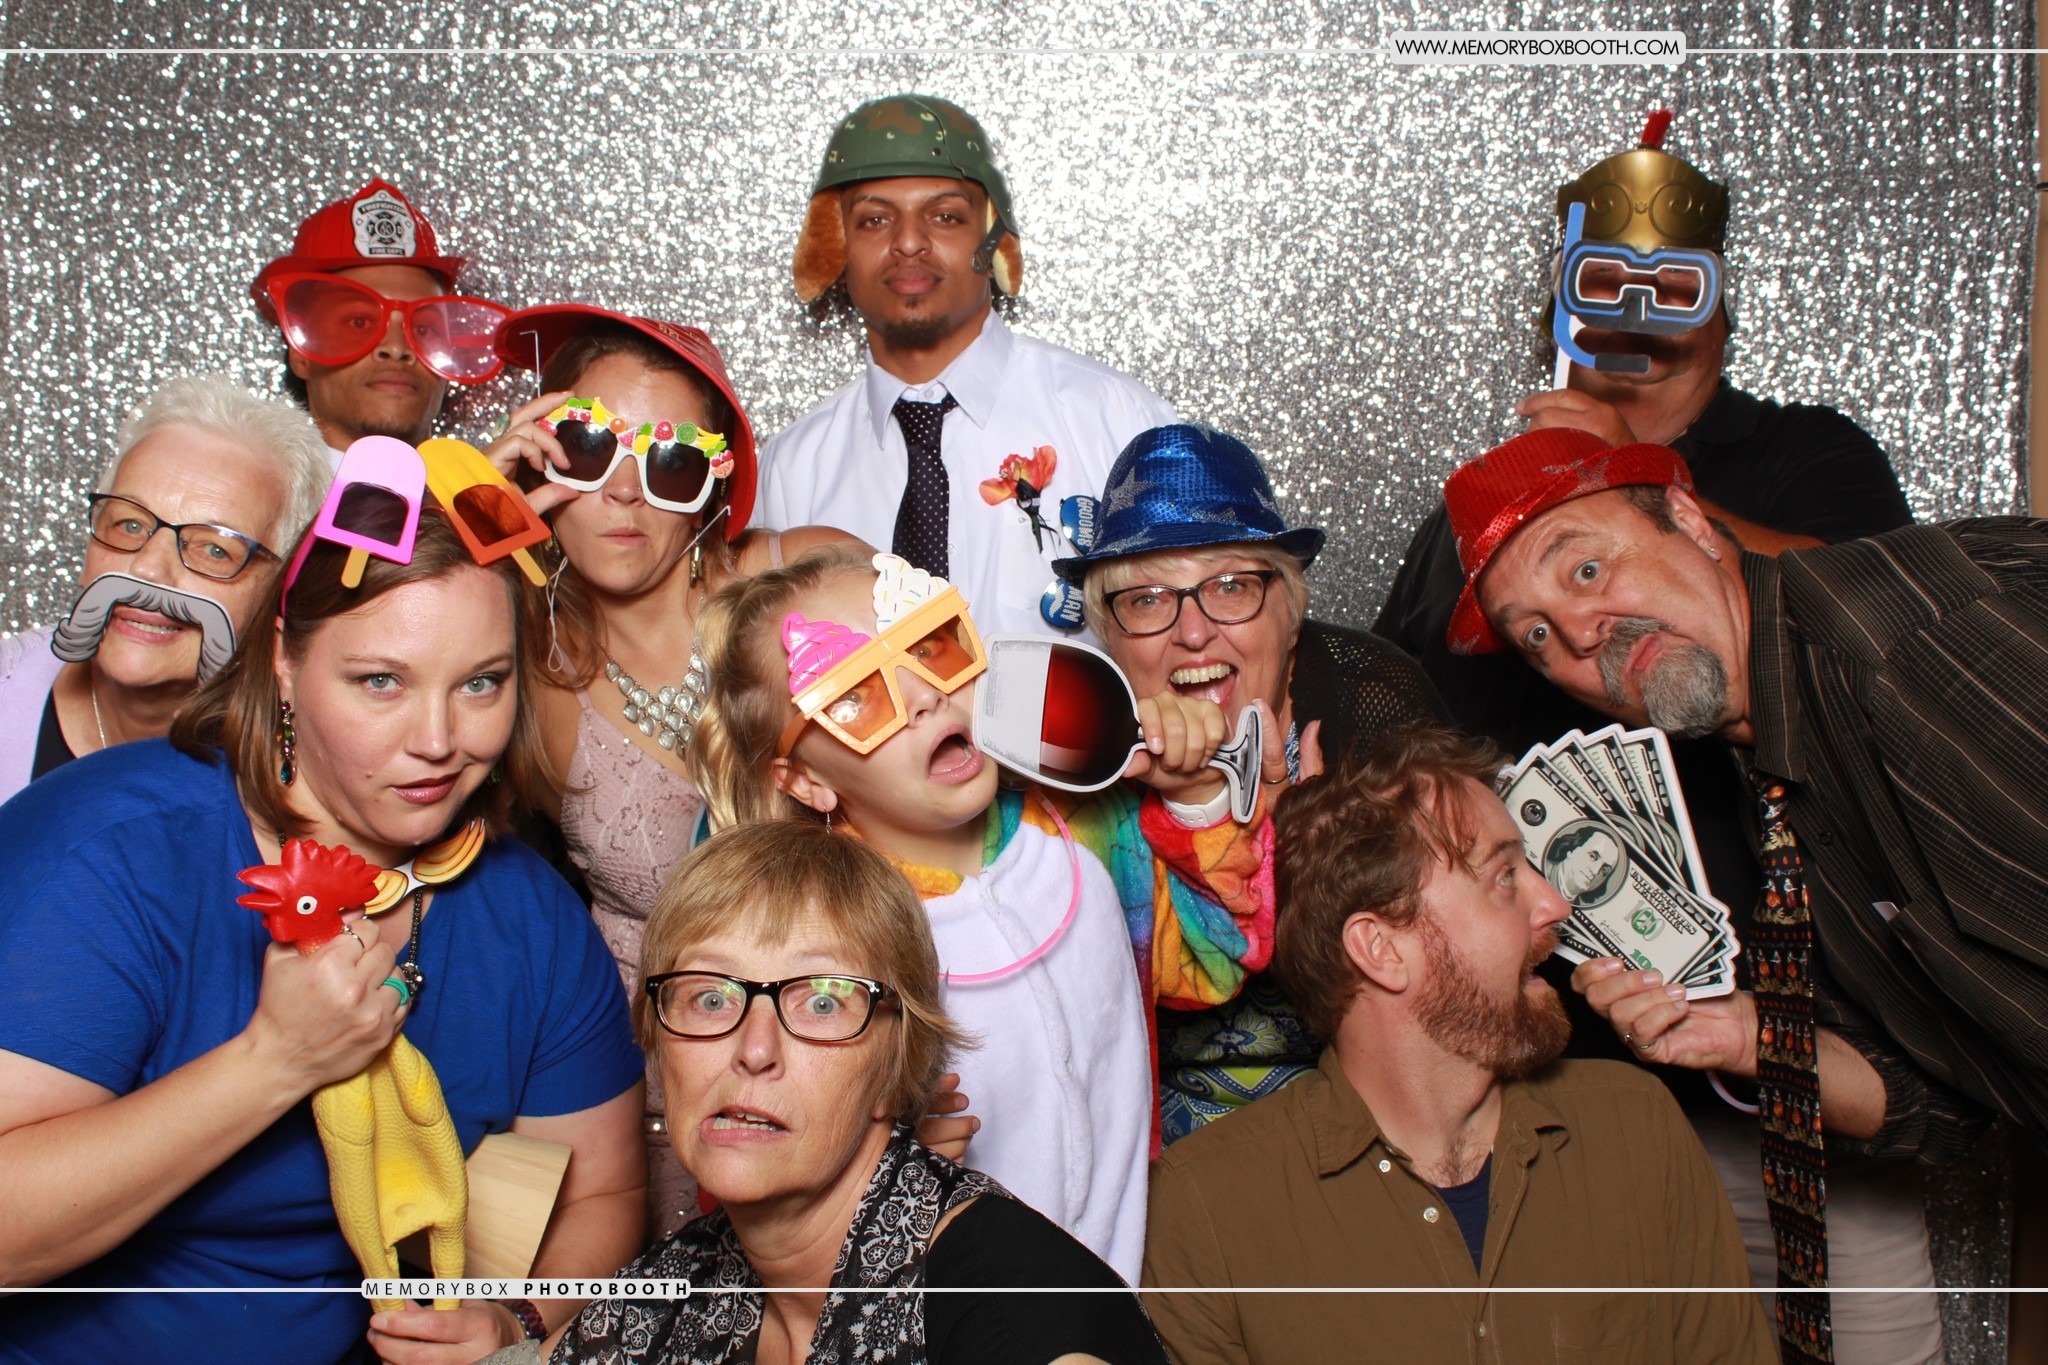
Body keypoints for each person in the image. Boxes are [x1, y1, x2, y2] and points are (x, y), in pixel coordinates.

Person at [1449, 425, 2048, 1360]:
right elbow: (1934, 1101)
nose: (1578, 634)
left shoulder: (1899, 650)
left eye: (1587, 569)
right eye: (1535, 635)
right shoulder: (1773, 765)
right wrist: (1741, 1035)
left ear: (1691, 520)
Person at [0, 505, 646, 1363]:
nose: (438, 740)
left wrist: (514, 1321)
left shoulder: (530, 916)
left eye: (480, 683)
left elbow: (604, 1195)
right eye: (381, 681)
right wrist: (274, 1060)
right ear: (284, 660)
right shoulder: (109, 846)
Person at [687, 544, 1283, 1283]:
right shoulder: (818, 946)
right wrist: (887, 1172)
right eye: (857, 696)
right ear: (806, 781)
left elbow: (1217, 960)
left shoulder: (1088, 828)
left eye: (931, 645)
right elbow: (763, 1180)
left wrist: (1194, 794)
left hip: (1123, 1297)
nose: (925, 697)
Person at [1141, 727, 1773, 1365]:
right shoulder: (1207, 1210)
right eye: (1504, 876)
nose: (1554, 904)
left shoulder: (1636, 1128)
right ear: (1381, 949)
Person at [481, 303, 850, 1236]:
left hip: (832, 1056)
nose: (624, 492)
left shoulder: (806, 587)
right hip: (634, 1089)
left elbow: (963, 735)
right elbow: (335, 685)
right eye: (586, 448)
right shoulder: (511, 653)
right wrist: (475, 516)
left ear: (714, 483)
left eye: (671, 460)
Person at [545, 818, 1171, 1365]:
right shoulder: (680, 1283)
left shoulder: (1009, 1304)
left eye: (822, 1001)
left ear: (896, 1068)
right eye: (711, 997)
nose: (754, 1050)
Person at [1052, 423, 1446, 1140]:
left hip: (1378, 1123)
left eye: (1232, 586)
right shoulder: (1085, 760)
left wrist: (1318, 864)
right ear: (1109, 635)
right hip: (1157, 1146)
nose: (1192, 633)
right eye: (1147, 599)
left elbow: (1454, 962)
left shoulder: (1372, 707)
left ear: (1289, 611)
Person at [759, 93, 1176, 640]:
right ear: (835, 248)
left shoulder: (1116, 418)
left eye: (945, 216)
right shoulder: (791, 469)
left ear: (993, 240)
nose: (909, 242)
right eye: (875, 219)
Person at [0, 375, 330, 801]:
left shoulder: (315, 765)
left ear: (281, 588)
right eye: (129, 524)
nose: (147, 569)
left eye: (214, 549)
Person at [253, 177, 508, 460]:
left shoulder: (493, 485)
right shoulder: (249, 486)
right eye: (359, 322)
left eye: (423, 328)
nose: (397, 348)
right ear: (300, 353)